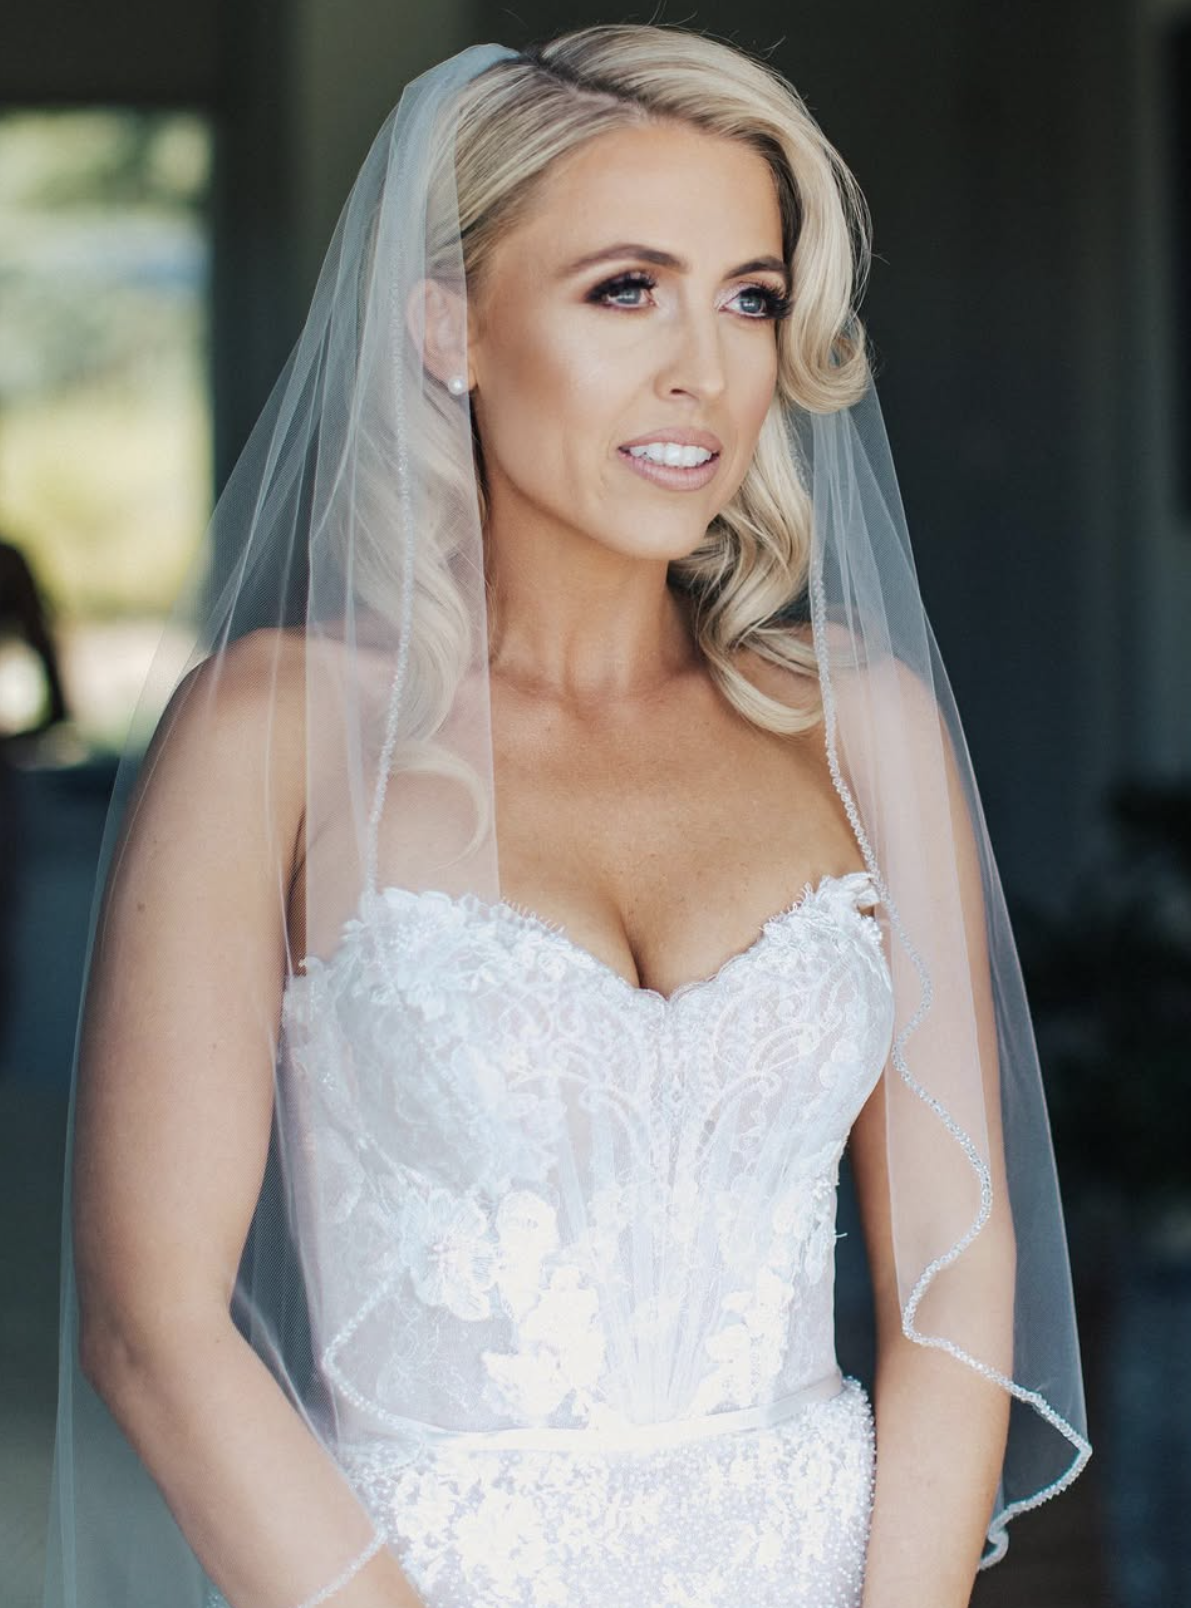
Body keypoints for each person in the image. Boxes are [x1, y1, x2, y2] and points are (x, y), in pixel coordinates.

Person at [43, 24, 1090, 1608]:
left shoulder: (859, 723)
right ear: (448, 328)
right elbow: (156, 1326)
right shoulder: (274, 732)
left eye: (750, 296)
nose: (706, 369)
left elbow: (956, 1262)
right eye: (625, 289)